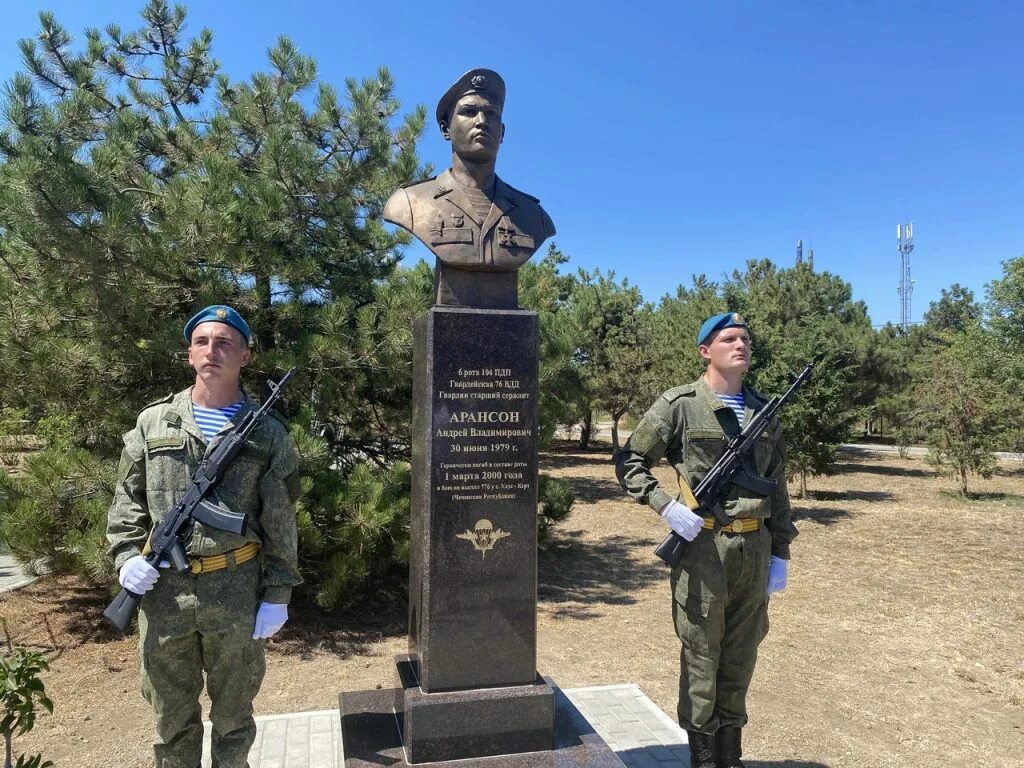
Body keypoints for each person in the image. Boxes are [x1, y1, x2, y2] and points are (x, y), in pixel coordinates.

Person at [107, 305, 302, 768]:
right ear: (189, 353)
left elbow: (280, 520)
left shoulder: (267, 433)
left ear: (245, 356)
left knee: (234, 720)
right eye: (202, 341)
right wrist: (126, 556)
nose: (211, 350)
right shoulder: (154, 423)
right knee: (171, 720)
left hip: (235, 592)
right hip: (164, 597)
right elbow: (126, 500)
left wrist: (278, 593)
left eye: (224, 342)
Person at [615, 312, 797, 768]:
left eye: (746, 339)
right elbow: (630, 461)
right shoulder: (680, 405)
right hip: (703, 550)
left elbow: (776, 486)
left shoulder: (763, 412)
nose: (741, 345)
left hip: (754, 550)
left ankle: (729, 758)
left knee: (741, 653)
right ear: (705, 351)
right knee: (701, 655)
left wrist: (780, 551)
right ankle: (703, 759)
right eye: (729, 338)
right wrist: (666, 507)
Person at [383, 68, 555, 309]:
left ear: (502, 132)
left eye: (491, 113)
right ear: (445, 129)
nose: (482, 122)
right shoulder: (411, 202)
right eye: (469, 112)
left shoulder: (533, 216)